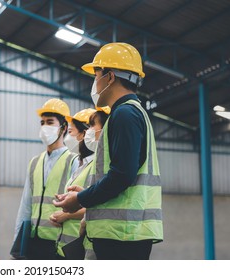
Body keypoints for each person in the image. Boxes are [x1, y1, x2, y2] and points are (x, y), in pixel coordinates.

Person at [53, 42, 163, 260]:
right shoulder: (128, 113)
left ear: (110, 77)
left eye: (97, 75)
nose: (94, 82)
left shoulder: (125, 114)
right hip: (123, 235)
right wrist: (85, 191)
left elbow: (122, 175)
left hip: (122, 236)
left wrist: (80, 199)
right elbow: (124, 175)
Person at [10, 98, 78, 260]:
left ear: (64, 128)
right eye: (42, 123)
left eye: (50, 122)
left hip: (58, 243)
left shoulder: (73, 161)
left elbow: (79, 204)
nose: (44, 127)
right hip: (33, 241)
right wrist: (17, 243)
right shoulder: (34, 162)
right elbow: (25, 206)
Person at [51, 107, 109, 259]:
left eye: (70, 132)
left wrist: (66, 216)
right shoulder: (79, 164)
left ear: (83, 134)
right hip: (66, 245)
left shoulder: (97, 166)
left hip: (82, 244)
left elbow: (98, 204)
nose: (66, 137)